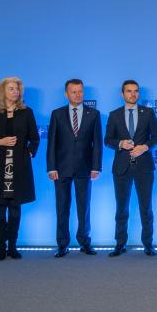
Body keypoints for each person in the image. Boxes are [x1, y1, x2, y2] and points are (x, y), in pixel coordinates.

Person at [0, 77, 40, 261]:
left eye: (18, 89)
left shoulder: (27, 112)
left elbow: (34, 138)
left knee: (15, 208)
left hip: (19, 166)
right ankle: (1, 247)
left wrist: (29, 152)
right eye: (11, 88)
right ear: (2, 91)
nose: (16, 92)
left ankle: (12, 246)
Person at [46, 79, 102, 258]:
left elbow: (97, 144)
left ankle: (85, 242)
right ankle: (62, 244)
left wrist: (96, 167)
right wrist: (51, 167)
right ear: (66, 94)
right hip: (61, 169)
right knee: (62, 207)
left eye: (80, 91)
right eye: (74, 92)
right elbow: (52, 143)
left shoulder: (94, 114)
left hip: (85, 168)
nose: (78, 95)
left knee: (83, 207)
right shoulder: (57, 114)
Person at [105, 80, 157, 257]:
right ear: (122, 94)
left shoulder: (149, 113)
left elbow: (156, 136)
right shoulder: (114, 115)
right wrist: (120, 143)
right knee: (122, 208)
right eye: (129, 91)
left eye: (136, 91)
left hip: (144, 167)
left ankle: (148, 244)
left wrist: (144, 147)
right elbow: (108, 140)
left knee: (146, 208)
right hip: (121, 168)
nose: (133, 94)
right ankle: (120, 244)